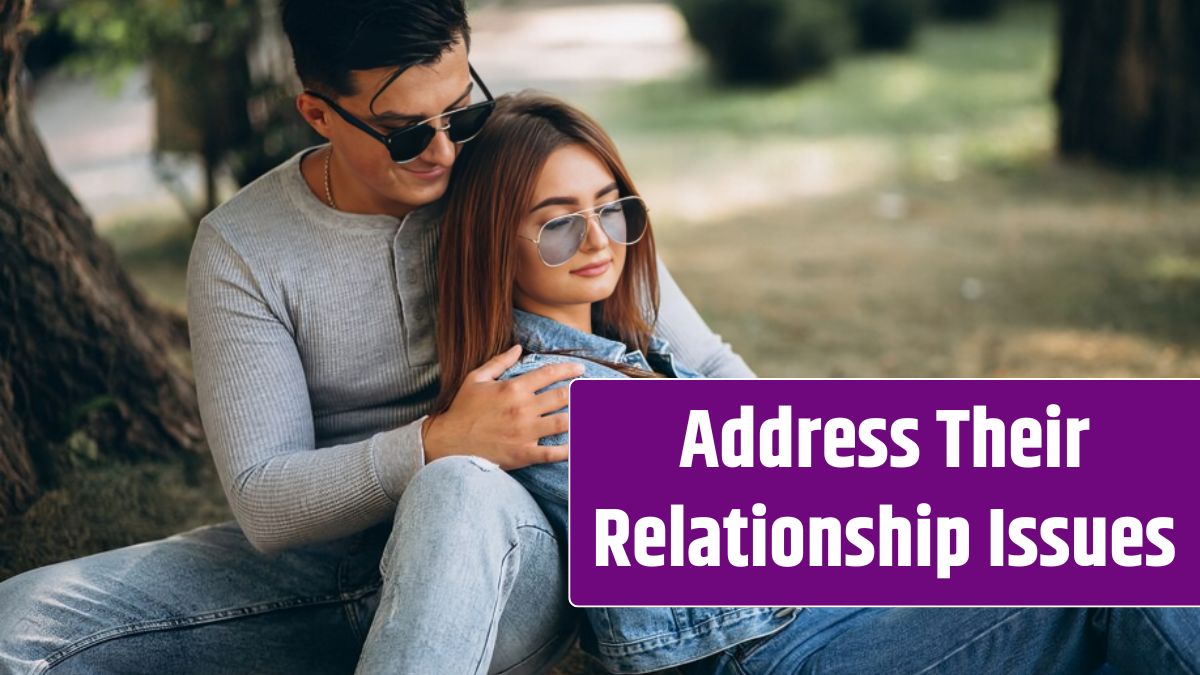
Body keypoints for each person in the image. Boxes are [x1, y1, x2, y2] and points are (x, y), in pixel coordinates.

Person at [0, 1, 752, 673]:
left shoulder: (511, 179)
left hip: (512, 553)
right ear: (317, 113)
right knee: (20, 622)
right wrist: (435, 439)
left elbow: (708, 361)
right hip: (319, 575)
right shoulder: (242, 248)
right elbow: (263, 500)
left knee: (455, 488)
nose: (446, 153)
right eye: (402, 135)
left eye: (460, 112)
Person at [432, 92, 1200, 675]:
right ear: (496, 244)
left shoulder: (632, 349)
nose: (598, 239)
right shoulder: (544, 390)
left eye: (611, 208)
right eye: (559, 221)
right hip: (774, 648)